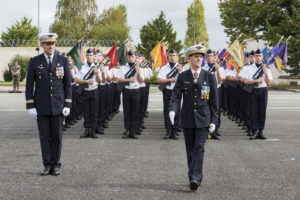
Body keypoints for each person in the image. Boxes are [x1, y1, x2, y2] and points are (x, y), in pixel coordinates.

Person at [169, 44, 218, 191]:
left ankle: (195, 177)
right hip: (188, 118)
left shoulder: (209, 76)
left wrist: (214, 121)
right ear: (189, 59)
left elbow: (215, 101)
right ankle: (193, 177)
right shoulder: (183, 76)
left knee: (199, 147)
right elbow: (176, 96)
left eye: (201, 57)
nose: (199, 59)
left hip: (204, 118)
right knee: (190, 149)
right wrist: (172, 110)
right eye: (196, 56)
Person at [25, 33, 72, 176]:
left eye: (53, 43)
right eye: (47, 44)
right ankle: (47, 165)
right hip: (42, 106)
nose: (51, 46)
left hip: (58, 106)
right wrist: (30, 106)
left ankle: (56, 165)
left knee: (57, 137)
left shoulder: (62, 60)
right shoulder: (35, 61)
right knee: (44, 137)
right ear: (42, 46)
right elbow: (29, 86)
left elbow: (67, 84)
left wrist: (67, 104)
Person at [243, 49, 273, 140]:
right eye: (257, 56)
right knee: (253, 111)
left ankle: (261, 131)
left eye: (260, 56)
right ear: (254, 57)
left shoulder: (266, 68)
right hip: (253, 90)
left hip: (263, 90)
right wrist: (256, 81)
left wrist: (265, 73)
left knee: (262, 111)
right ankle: (254, 131)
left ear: (262, 57)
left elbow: (268, 83)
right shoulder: (249, 68)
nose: (258, 57)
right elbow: (245, 81)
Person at [75, 48, 102, 139]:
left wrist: (97, 74)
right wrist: (86, 81)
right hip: (85, 92)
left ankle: (93, 131)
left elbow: (99, 81)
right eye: (88, 55)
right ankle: (86, 130)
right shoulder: (82, 67)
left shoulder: (97, 67)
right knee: (86, 112)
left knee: (94, 112)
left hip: (94, 91)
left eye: (91, 55)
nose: (89, 57)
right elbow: (76, 80)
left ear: (94, 56)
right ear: (86, 56)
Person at [116, 50, 143, 139]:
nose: (130, 58)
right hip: (126, 91)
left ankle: (133, 131)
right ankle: (127, 130)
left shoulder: (138, 67)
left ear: (135, 58)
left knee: (135, 112)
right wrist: (128, 80)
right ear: (127, 58)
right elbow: (118, 79)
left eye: (132, 57)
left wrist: (138, 72)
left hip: (135, 90)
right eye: (129, 57)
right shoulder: (123, 68)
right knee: (127, 111)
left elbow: (141, 81)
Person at [157, 49, 183, 139]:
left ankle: (175, 131)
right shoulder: (164, 68)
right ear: (168, 57)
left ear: (177, 57)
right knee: (167, 111)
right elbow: (159, 80)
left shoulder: (181, 68)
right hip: (167, 91)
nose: (172, 57)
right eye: (170, 56)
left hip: (177, 91)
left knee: (177, 112)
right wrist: (170, 80)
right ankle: (168, 131)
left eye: (174, 55)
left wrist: (180, 73)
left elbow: (184, 81)